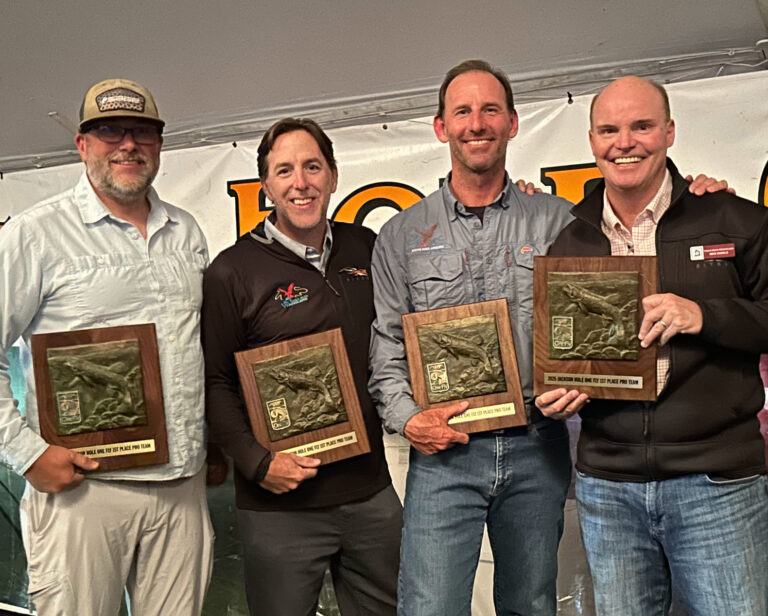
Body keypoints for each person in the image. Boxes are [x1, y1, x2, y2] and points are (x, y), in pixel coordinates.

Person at [368, 60, 731, 616]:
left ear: (513, 123)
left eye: (491, 110)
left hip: (538, 445)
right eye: (462, 112)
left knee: (532, 603)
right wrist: (409, 419)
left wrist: (700, 199)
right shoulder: (400, 235)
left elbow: (639, 236)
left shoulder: (561, 220)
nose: (476, 123)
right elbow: (388, 346)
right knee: (428, 605)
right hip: (445, 451)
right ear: (441, 127)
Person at [538, 76, 768, 615]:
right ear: (592, 142)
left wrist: (704, 315)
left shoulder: (735, 220)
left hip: (716, 481)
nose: (625, 142)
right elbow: (566, 353)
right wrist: (558, 394)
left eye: (641, 126)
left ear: (669, 132)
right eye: (609, 130)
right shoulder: (571, 239)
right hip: (608, 485)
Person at [0, 78, 213, 615]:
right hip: (85, 490)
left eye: (142, 132)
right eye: (110, 131)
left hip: (183, 490)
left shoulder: (187, 232)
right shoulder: (34, 235)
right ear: (82, 144)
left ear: (159, 143)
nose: (128, 145)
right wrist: (27, 454)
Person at [202, 117, 401, 616]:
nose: (301, 183)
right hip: (280, 508)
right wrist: (257, 464)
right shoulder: (231, 271)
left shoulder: (366, 246)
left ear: (332, 175)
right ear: (266, 186)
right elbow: (215, 382)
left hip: (371, 495)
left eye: (312, 167)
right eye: (284, 170)